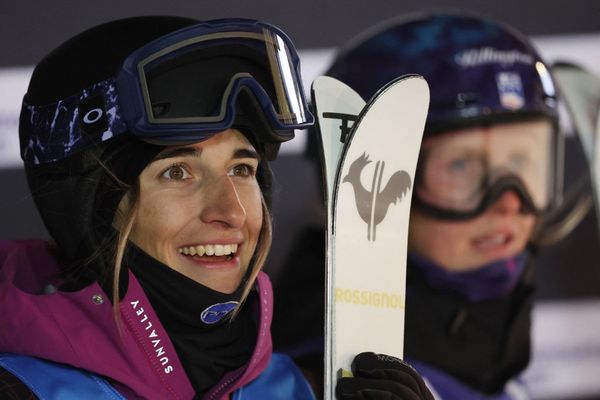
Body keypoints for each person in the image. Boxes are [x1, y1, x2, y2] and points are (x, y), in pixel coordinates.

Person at [0, 16, 433, 400]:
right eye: (177, 173)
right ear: (91, 206)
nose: (232, 213)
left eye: (242, 169)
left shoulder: (313, 388)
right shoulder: (24, 390)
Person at [325, 11, 580, 400]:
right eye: (461, 165)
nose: (509, 204)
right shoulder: (324, 383)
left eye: (521, 162)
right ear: (365, 184)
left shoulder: (497, 370)